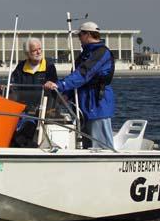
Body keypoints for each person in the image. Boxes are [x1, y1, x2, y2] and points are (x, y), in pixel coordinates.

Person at [44, 21, 115, 149]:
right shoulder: (85, 54)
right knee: (87, 144)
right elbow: (78, 76)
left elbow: (83, 74)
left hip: (97, 104)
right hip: (83, 105)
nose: (79, 39)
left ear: (87, 34)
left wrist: (60, 85)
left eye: (80, 36)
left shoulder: (101, 52)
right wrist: (66, 95)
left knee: (101, 145)